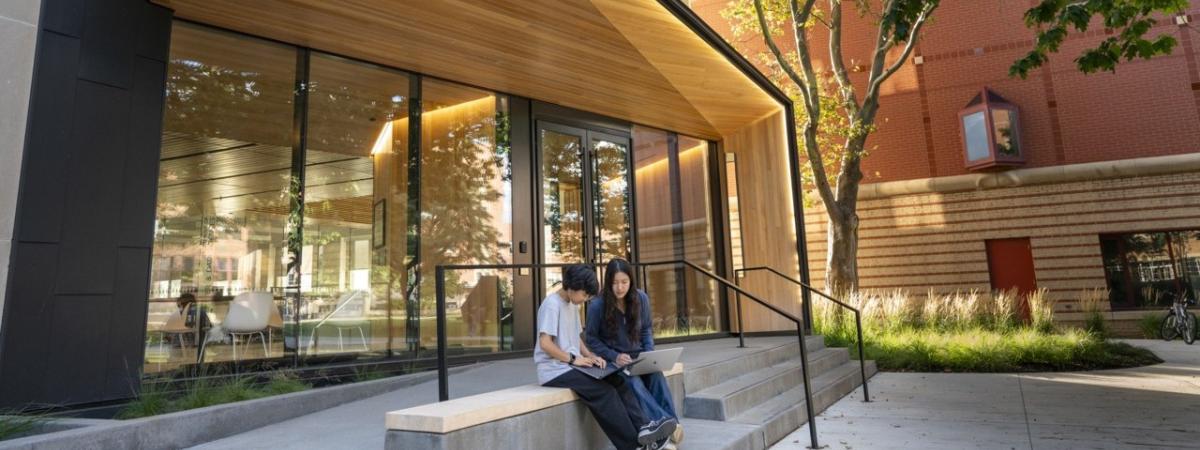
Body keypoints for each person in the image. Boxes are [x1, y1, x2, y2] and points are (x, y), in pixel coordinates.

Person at [534, 264, 675, 450]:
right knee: (605, 392)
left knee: (619, 379)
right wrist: (572, 359)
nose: (585, 299)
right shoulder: (552, 305)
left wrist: (590, 355)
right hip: (554, 370)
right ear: (571, 287)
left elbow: (575, 338)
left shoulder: (572, 304)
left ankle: (645, 428)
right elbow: (545, 343)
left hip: (571, 365)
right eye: (584, 295)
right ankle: (633, 446)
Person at [586, 258, 683, 448]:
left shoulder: (641, 298)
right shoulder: (597, 305)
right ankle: (668, 426)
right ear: (608, 282)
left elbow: (646, 330)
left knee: (655, 375)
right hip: (614, 362)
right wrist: (614, 356)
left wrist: (649, 354)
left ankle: (671, 425)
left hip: (640, 356)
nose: (620, 288)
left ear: (631, 281)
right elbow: (591, 339)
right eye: (614, 283)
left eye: (624, 282)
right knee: (633, 382)